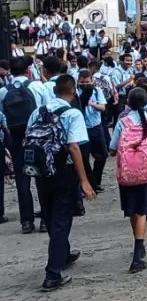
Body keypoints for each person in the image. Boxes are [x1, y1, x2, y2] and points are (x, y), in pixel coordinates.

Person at [28, 74, 96, 291]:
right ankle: (53, 273)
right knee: (61, 220)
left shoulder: (38, 112)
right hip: (63, 172)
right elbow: (74, 147)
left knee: (50, 216)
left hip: (40, 171)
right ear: (73, 91)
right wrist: (84, 180)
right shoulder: (72, 113)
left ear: (55, 90)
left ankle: (62, 254)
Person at [110, 87, 147, 274]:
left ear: (128, 103)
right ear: (146, 102)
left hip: (127, 174)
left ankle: (137, 243)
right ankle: (138, 251)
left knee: (133, 210)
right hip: (146, 171)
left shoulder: (122, 122)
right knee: (143, 211)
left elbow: (112, 149)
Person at [0, 58, 49, 234]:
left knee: (22, 181)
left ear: (10, 72)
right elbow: (48, 110)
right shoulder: (38, 87)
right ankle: (45, 218)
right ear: (28, 70)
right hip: (37, 138)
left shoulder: (4, 92)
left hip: (15, 139)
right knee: (42, 177)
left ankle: (26, 221)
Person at [75, 70, 108, 193]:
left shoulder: (96, 90)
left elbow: (103, 107)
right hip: (82, 129)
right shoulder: (76, 93)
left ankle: (96, 180)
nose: (85, 84)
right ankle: (88, 184)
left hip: (96, 126)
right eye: (82, 82)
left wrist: (89, 102)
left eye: (87, 82)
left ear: (92, 80)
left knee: (102, 155)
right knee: (84, 158)